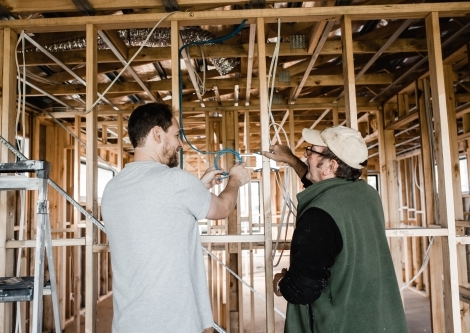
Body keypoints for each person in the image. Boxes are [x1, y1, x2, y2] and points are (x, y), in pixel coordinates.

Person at [101, 103, 250, 333]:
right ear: (157, 134)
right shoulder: (175, 181)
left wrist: (199, 188)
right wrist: (236, 181)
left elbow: (159, 213)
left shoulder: (111, 189)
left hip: (127, 323)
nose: (180, 143)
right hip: (172, 323)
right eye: (176, 135)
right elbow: (221, 209)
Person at [262, 125, 409, 333]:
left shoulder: (318, 216)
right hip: (376, 322)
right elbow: (325, 187)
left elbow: (302, 290)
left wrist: (280, 284)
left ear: (330, 166)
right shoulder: (367, 194)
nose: (306, 154)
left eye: (311, 151)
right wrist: (292, 160)